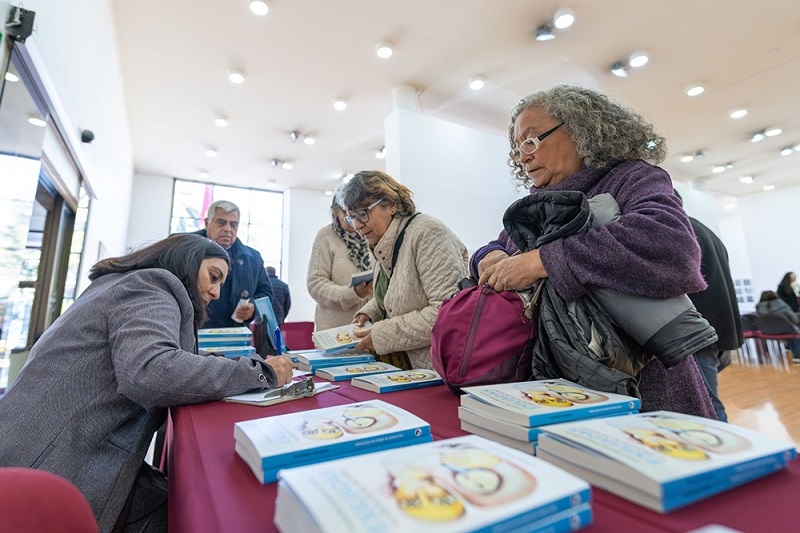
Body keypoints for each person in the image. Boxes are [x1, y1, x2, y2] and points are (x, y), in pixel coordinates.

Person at [0, 234, 293, 533]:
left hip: (41, 447)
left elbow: (170, 355)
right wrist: (261, 373)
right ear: (187, 261)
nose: (217, 292)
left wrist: (239, 365)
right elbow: (152, 370)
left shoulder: (123, 283)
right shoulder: (152, 285)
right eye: (213, 277)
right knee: (199, 510)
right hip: (56, 461)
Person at [473, 85, 715, 418]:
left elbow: (670, 243)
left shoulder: (632, 178)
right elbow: (499, 245)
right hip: (552, 387)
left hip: (643, 387)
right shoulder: (537, 206)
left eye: (531, 140)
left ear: (580, 129)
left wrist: (541, 261)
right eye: (517, 148)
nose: (523, 156)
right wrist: (489, 256)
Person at [337, 170, 468, 370]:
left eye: (363, 213)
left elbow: (446, 313)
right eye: (352, 217)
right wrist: (370, 313)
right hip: (408, 368)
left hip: (436, 369)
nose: (357, 225)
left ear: (391, 205)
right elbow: (399, 292)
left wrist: (381, 334)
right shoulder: (381, 242)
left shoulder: (427, 232)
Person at [676, 191, 743, 422]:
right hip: (716, 330)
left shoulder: (678, 229)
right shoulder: (707, 232)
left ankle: (725, 456)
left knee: (707, 404)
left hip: (696, 333)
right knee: (706, 401)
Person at [195, 200, 273, 328]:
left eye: (233, 224)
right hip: (190, 332)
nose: (227, 229)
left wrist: (253, 307)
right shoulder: (183, 247)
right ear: (207, 223)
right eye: (221, 222)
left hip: (234, 335)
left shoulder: (253, 258)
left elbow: (265, 293)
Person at [307, 194, 374, 330]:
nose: (353, 218)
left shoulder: (371, 234)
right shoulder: (326, 236)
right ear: (336, 212)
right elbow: (315, 284)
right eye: (346, 212)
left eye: (357, 212)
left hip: (370, 327)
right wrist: (352, 294)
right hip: (335, 330)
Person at [756, 290, 800, 359]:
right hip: (786, 330)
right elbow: (795, 320)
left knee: (788, 327)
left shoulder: (759, 308)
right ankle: (797, 353)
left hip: (767, 331)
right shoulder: (781, 304)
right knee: (792, 327)